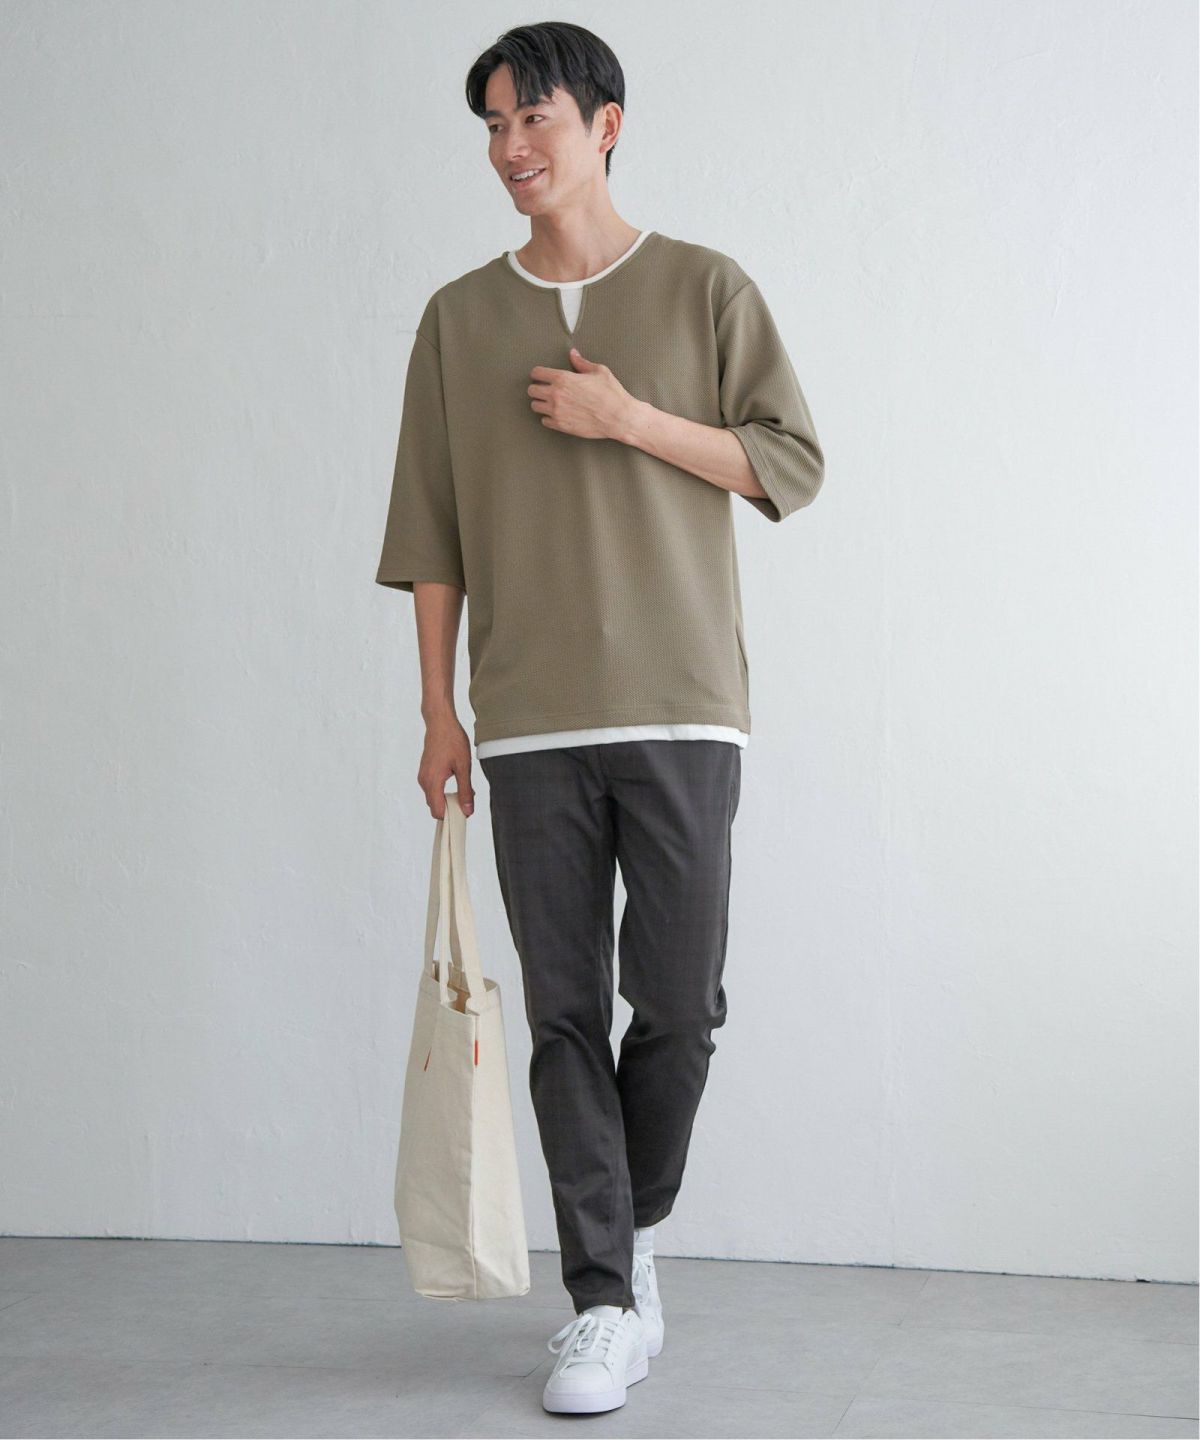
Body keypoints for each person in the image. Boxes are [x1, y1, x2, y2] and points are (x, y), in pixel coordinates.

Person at [375, 20, 824, 1416]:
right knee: (564, 1012)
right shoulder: (457, 319)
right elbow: (431, 531)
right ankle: (603, 1300)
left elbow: (789, 463)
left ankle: (632, 1230)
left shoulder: (704, 287)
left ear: (605, 125)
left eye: (536, 119)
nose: (511, 148)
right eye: (494, 126)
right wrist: (438, 712)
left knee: (678, 1006)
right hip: (526, 718)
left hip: (685, 703)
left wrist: (629, 419)